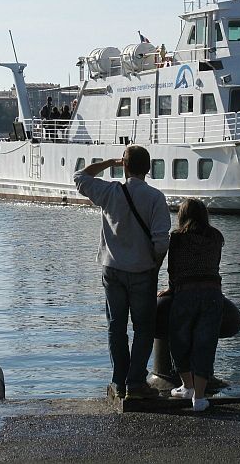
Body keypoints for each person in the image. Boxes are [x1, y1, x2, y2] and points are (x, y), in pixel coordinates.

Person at [74, 145, 171, 400]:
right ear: (148, 169)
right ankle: (136, 382)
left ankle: (118, 381)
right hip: (142, 271)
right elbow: (161, 242)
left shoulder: (109, 192)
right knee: (144, 329)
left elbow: (80, 177)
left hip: (112, 270)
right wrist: (154, 266)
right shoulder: (155, 198)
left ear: (124, 167)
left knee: (116, 327)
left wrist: (108, 162)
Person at [159, 198, 224, 412]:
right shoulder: (216, 236)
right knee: (205, 343)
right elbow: (214, 265)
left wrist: (171, 288)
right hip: (211, 292)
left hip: (185, 292)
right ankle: (200, 397)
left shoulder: (177, 237)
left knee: (180, 340)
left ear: (182, 216)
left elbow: (173, 268)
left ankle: (186, 385)